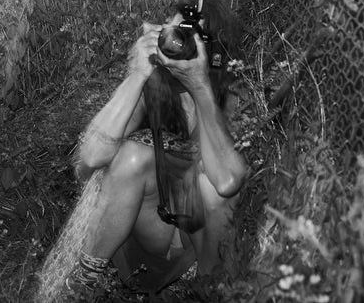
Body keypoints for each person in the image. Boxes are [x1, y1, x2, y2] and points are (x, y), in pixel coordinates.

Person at [66, 19, 248, 298]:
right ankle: (83, 285)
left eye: (191, 36)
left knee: (210, 186)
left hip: (198, 246)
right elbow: (86, 162)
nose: (181, 43)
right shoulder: (153, 86)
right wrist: (137, 74)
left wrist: (199, 86)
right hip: (149, 234)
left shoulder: (232, 92)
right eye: (175, 33)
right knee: (131, 157)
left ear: (210, 48)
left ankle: (207, 290)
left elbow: (227, 184)